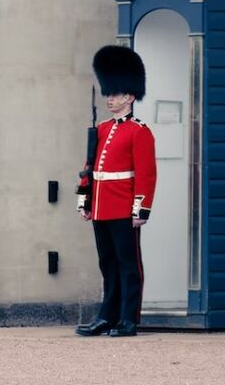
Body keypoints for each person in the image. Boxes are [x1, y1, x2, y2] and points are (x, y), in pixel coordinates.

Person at [75, 45, 157, 337]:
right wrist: (84, 200)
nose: (110, 98)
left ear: (130, 96)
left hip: (123, 207)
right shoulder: (102, 128)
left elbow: (146, 174)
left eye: (116, 94)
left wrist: (140, 209)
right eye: (108, 93)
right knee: (107, 264)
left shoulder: (139, 131)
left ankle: (129, 318)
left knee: (128, 265)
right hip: (101, 206)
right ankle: (106, 316)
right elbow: (90, 167)